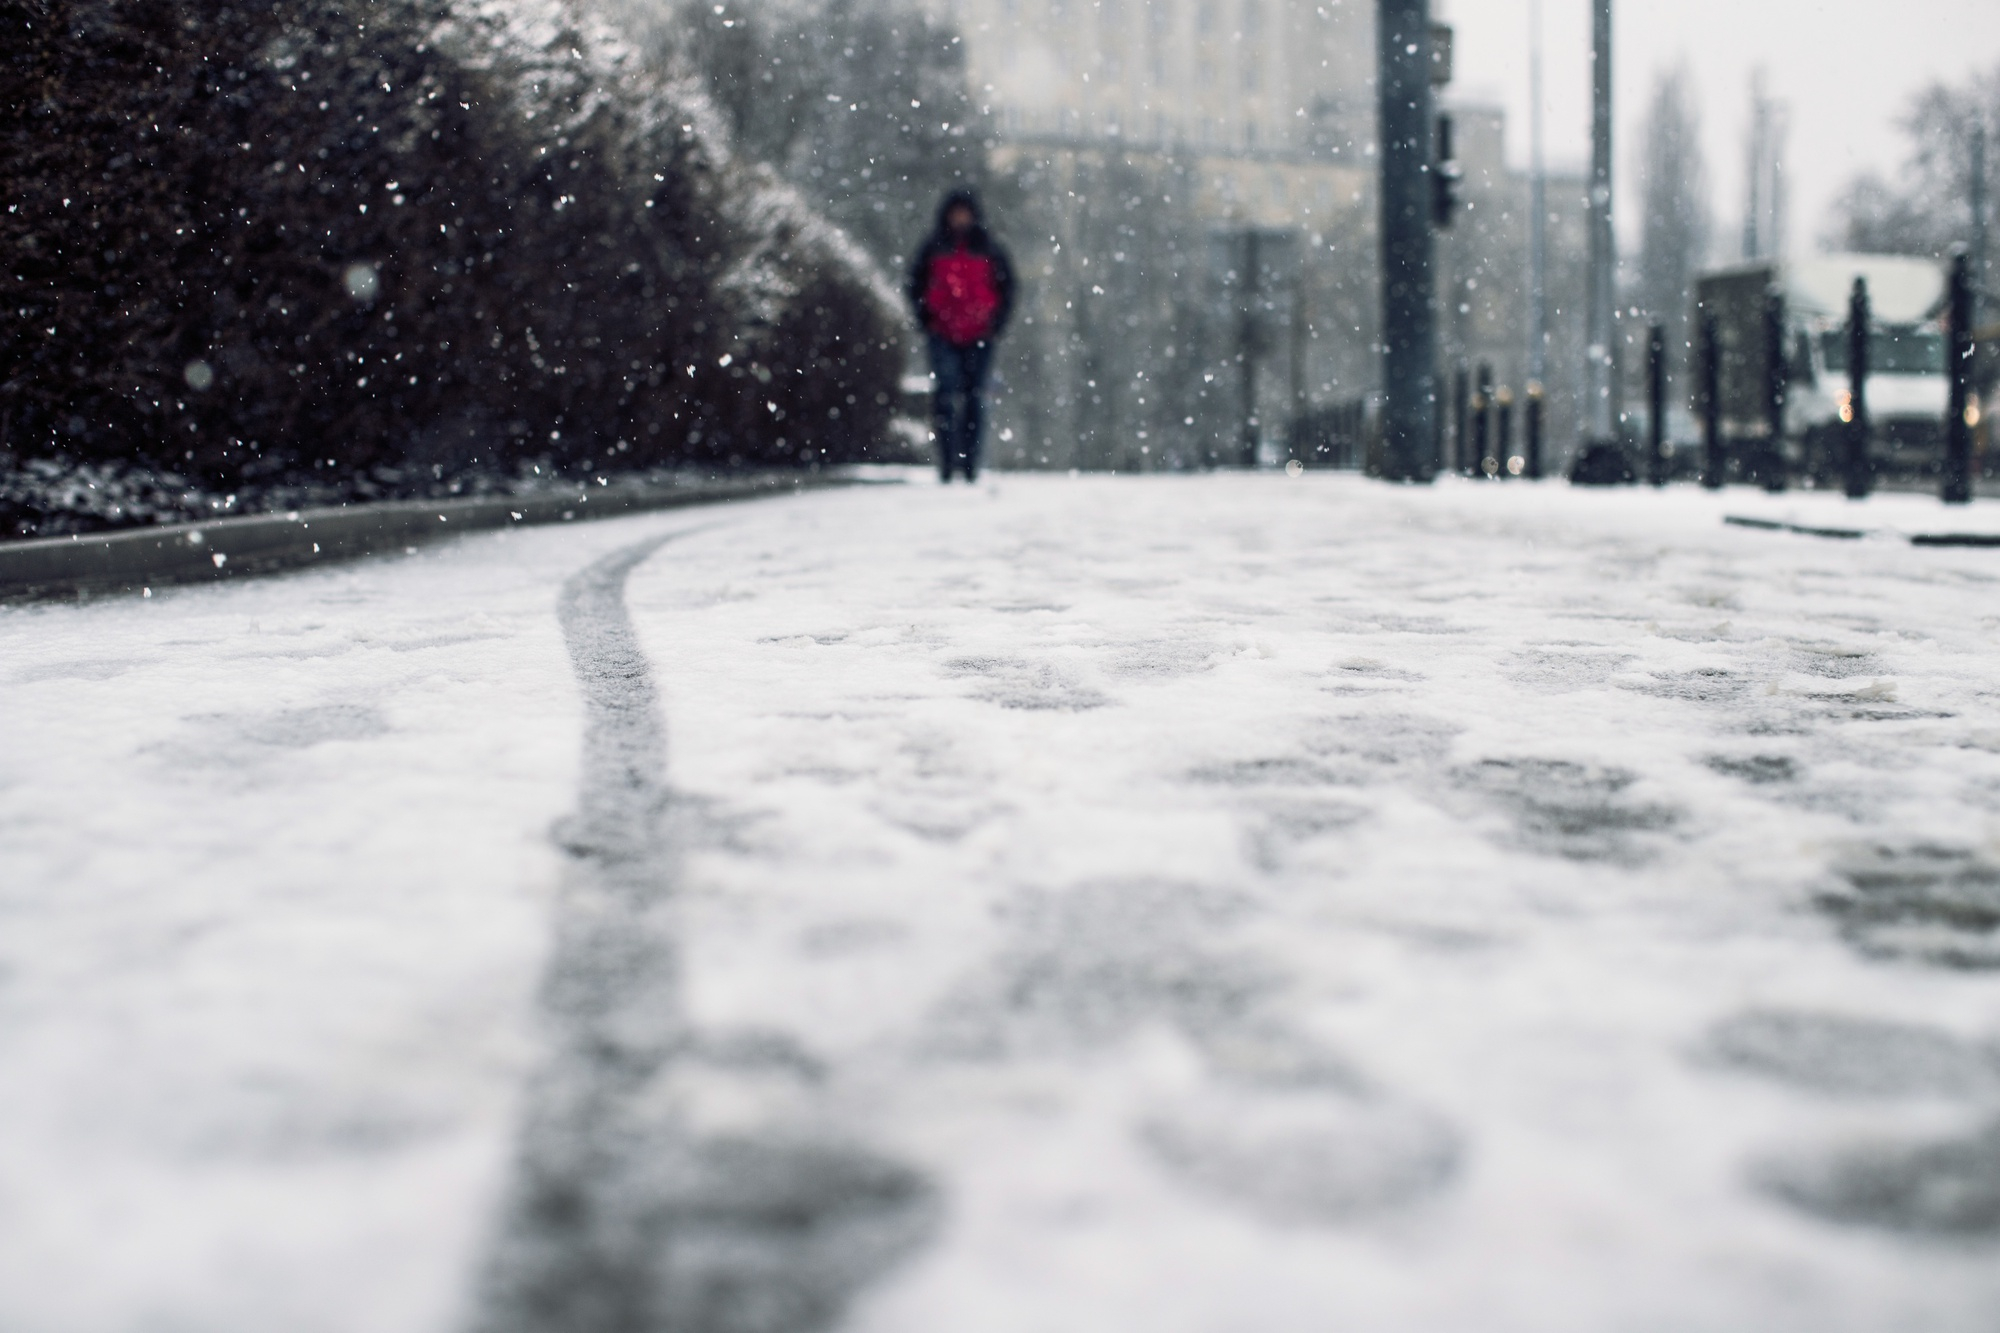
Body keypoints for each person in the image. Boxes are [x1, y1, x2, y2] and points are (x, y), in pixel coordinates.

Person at [908, 189, 1014, 482]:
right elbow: (915, 284)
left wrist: (995, 324)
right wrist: (927, 319)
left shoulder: (990, 249)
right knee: (945, 396)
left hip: (980, 334)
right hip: (942, 332)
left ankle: (969, 466)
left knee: (973, 399)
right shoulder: (933, 247)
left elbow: (1007, 289)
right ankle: (946, 463)